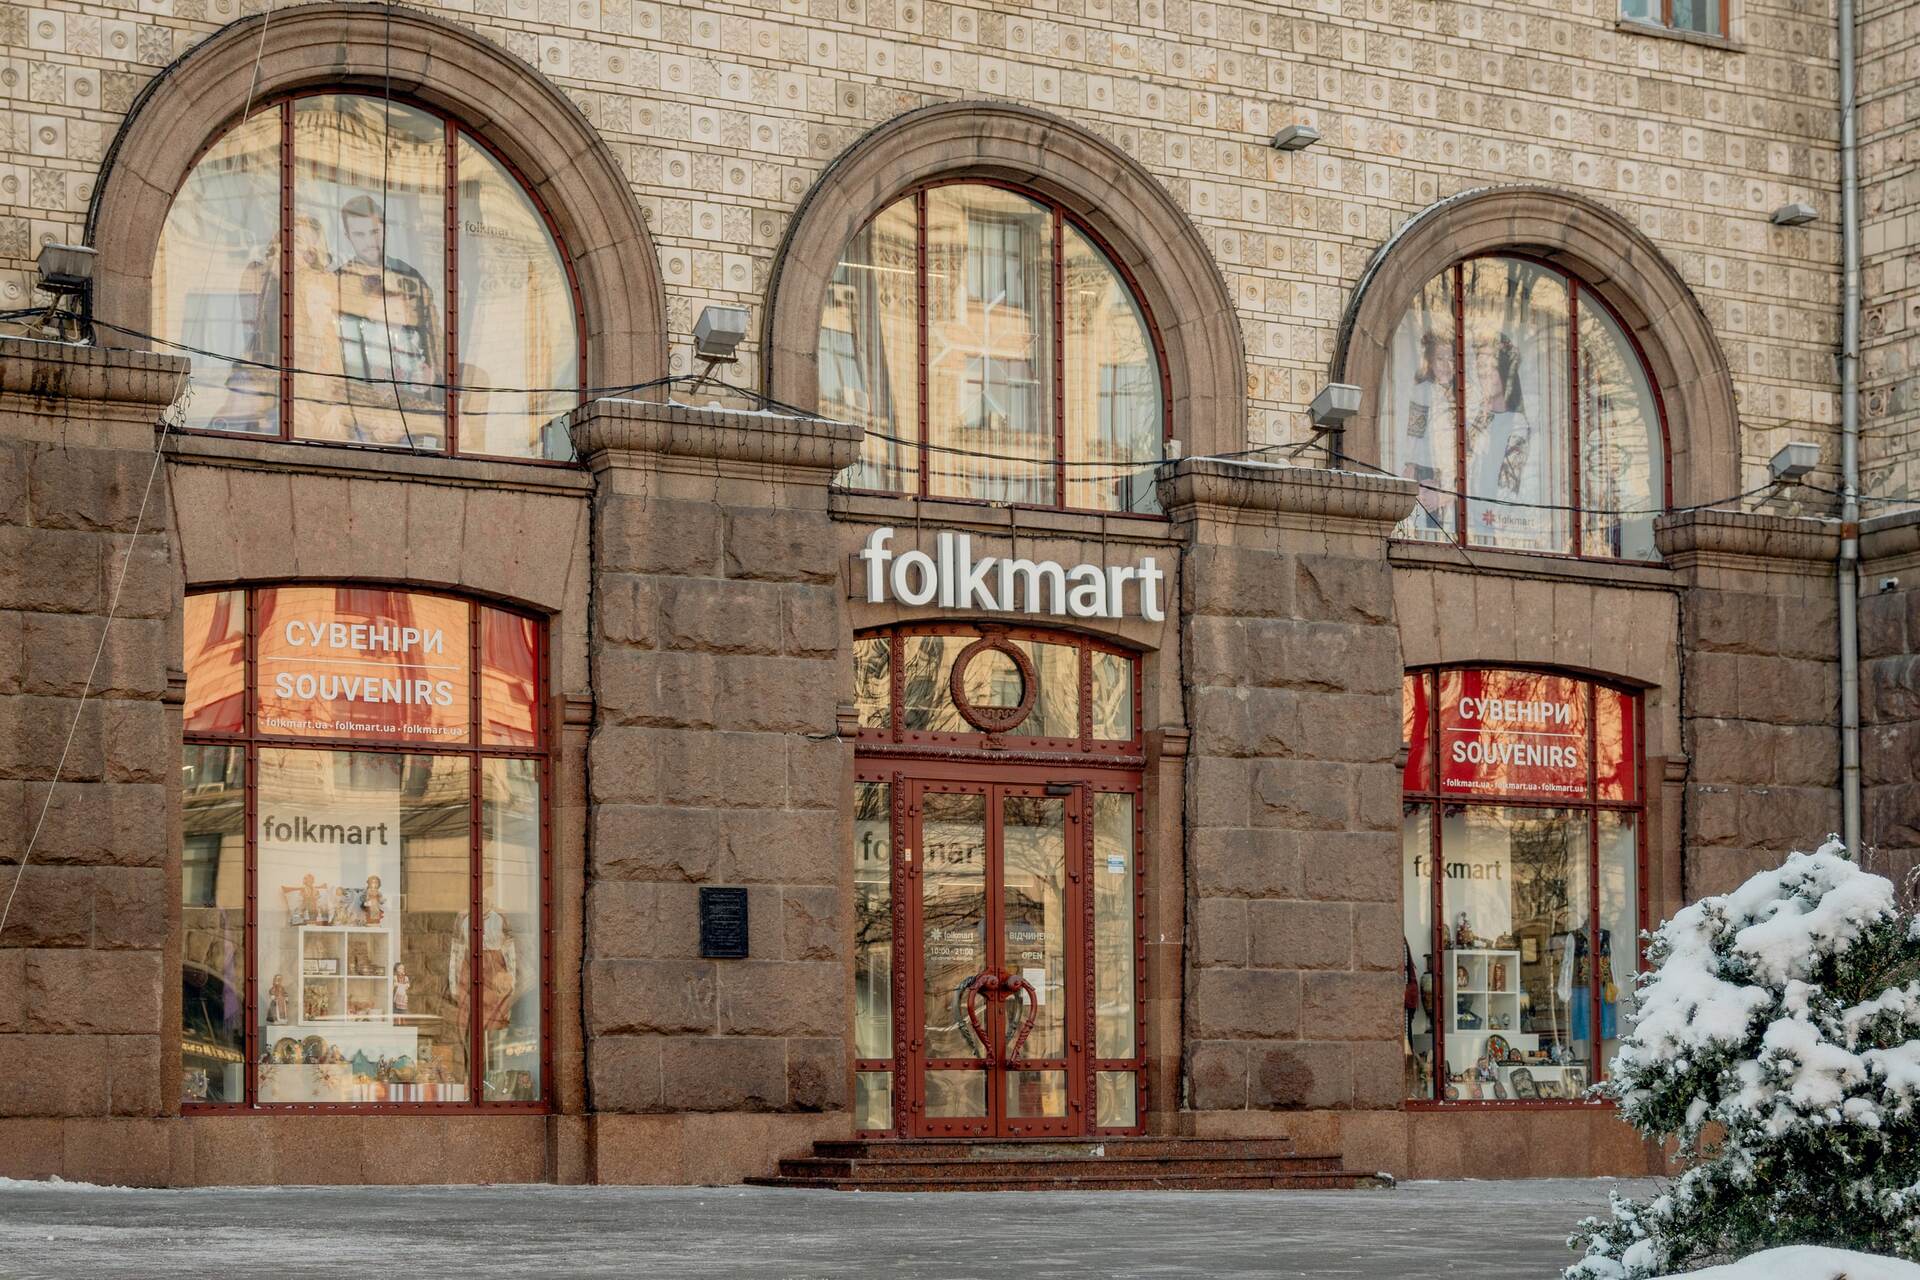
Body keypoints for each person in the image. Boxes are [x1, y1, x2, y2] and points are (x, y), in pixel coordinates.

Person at [329, 194, 444, 447]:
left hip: (410, 394)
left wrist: (432, 373)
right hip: (358, 399)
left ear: (385, 229)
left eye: (374, 231)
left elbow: (433, 334)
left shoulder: (410, 278)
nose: (370, 242)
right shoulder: (339, 282)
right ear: (348, 237)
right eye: (360, 235)